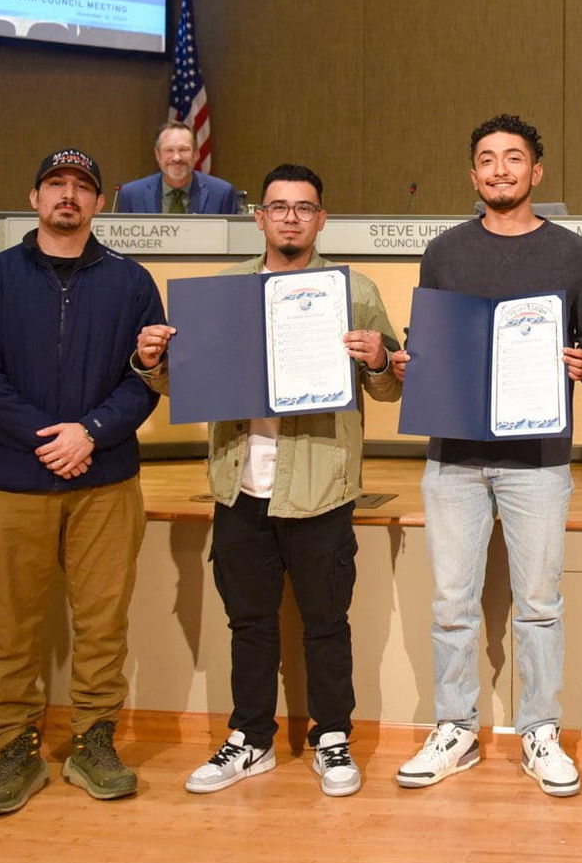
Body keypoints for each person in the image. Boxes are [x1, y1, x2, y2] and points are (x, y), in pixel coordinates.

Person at [133, 164, 401, 799]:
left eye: (303, 208)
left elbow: (390, 386)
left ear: (320, 219)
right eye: (278, 207)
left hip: (321, 488)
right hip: (240, 486)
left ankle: (332, 736)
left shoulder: (353, 290)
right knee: (248, 621)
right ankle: (250, 738)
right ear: (259, 218)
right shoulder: (224, 291)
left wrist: (383, 359)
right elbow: (183, 384)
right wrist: (152, 362)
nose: (289, 218)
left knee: (326, 620)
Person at [385, 115, 582, 798]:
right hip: (453, 452)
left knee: (539, 602)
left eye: (514, 159)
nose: (500, 170)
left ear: (537, 170)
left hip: (538, 455)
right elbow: (430, 334)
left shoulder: (573, 253)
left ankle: (539, 728)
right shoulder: (445, 249)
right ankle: (454, 726)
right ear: (473, 173)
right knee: (452, 601)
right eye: (486, 159)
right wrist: (410, 362)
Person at [0, 149, 164, 816]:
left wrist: (91, 431)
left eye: (81, 187)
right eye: (55, 185)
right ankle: (15, 745)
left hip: (105, 480)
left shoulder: (131, 282)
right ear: (35, 196)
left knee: (102, 620)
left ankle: (92, 739)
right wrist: (52, 437)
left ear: (98, 203)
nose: (68, 196)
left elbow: (147, 375)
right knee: (10, 622)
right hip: (15, 478)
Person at [112, 122, 242, 214]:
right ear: (158, 155)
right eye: (169, 150)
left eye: (183, 150)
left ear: (196, 154)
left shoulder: (222, 193)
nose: (176, 158)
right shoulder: (131, 194)